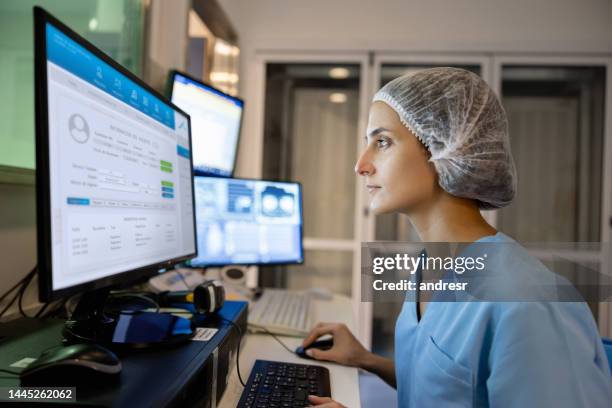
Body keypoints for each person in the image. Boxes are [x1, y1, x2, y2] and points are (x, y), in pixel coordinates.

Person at [304, 68, 612, 407]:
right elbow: (447, 388)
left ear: (445, 149)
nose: (361, 165)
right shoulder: (433, 264)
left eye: (382, 142)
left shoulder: (526, 303)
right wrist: (367, 359)